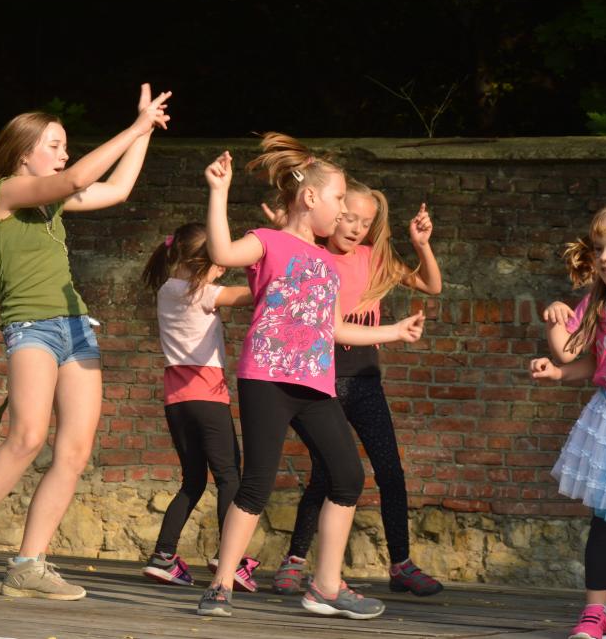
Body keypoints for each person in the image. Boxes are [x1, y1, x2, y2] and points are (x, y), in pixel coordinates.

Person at [0, 84, 171, 601]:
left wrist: (144, 128)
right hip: (31, 328)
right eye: (54, 145)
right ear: (23, 153)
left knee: (74, 452)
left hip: (77, 328)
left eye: (65, 146)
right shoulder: (4, 193)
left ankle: (27, 566)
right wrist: (133, 128)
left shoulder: (51, 205)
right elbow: (78, 178)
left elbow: (117, 189)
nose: (64, 154)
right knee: (28, 437)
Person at [198, 134, 424, 620]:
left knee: (348, 477)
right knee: (256, 485)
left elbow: (334, 328)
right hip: (267, 380)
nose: (344, 211)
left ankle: (324, 586)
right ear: (310, 197)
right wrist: (219, 192)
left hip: (316, 386)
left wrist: (394, 331)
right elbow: (221, 250)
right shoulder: (267, 240)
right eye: (339, 199)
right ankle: (220, 584)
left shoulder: (327, 262)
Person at [274, 180, 444, 597]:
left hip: (366, 381)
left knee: (390, 472)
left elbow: (431, 286)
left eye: (365, 223)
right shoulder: (314, 256)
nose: (356, 229)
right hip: (324, 381)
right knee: (325, 474)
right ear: (333, 214)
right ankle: (294, 559)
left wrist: (421, 245)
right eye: (349, 218)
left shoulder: (375, 258)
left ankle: (401, 564)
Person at [138, 222, 256, 590]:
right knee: (229, 477)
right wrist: (267, 266)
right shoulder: (202, 293)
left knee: (193, 480)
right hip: (207, 396)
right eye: (218, 261)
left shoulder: (166, 290)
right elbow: (252, 294)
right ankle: (230, 558)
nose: (223, 267)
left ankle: (163, 556)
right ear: (198, 263)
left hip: (176, 401)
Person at [531, 204, 606, 639]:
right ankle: (596, 612)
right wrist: (555, 319)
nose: (605, 257)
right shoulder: (598, 302)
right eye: (599, 249)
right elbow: (574, 355)